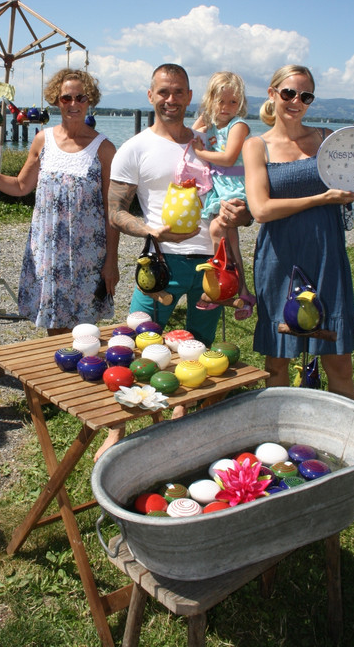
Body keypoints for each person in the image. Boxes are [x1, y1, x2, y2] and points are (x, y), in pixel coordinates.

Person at [94, 63, 251, 458]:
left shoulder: (207, 142)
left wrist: (240, 214)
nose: (171, 99)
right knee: (134, 344)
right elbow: (115, 210)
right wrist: (149, 230)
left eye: (179, 92)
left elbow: (240, 201)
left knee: (200, 348)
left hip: (211, 266)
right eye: (163, 92)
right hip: (160, 264)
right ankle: (118, 429)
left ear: (189, 97)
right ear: (151, 96)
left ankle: (182, 418)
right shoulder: (135, 148)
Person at [0, 68, 119, 336]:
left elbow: (112, 210)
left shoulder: (104, 148)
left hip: (87, 256)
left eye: (80, 98)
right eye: (66, 98)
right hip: (48, 252)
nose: (73, 104)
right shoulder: (42, 140)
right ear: (56, 101)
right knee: (54, 329)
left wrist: (112, 261)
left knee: (84, 333)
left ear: (89, 100)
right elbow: (21, 186)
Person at [242, 64, 354, 399]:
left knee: (339, 364)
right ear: (272, 94)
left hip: (327, 256)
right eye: (289, 93)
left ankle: (346, 443)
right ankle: (278, 443)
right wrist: (322, 198)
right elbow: (261, 210)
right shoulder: (257, 146)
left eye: (305, 95)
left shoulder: (327, 138)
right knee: (278, 361)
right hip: (280, 258)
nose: (296, 101)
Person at [191, 71, 255, 319]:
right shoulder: (212, 125)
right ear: (210, 100)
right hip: (220, 188)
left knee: (219, 231)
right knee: (230, 242)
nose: (227, 107)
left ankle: (224, 286)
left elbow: (229, 157)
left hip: (234, 188)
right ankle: (241, 292)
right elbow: (191, 135)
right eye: (221, 101)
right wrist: (204, 118)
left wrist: (201, 153)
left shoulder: (238, 126)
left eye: (233, 102)